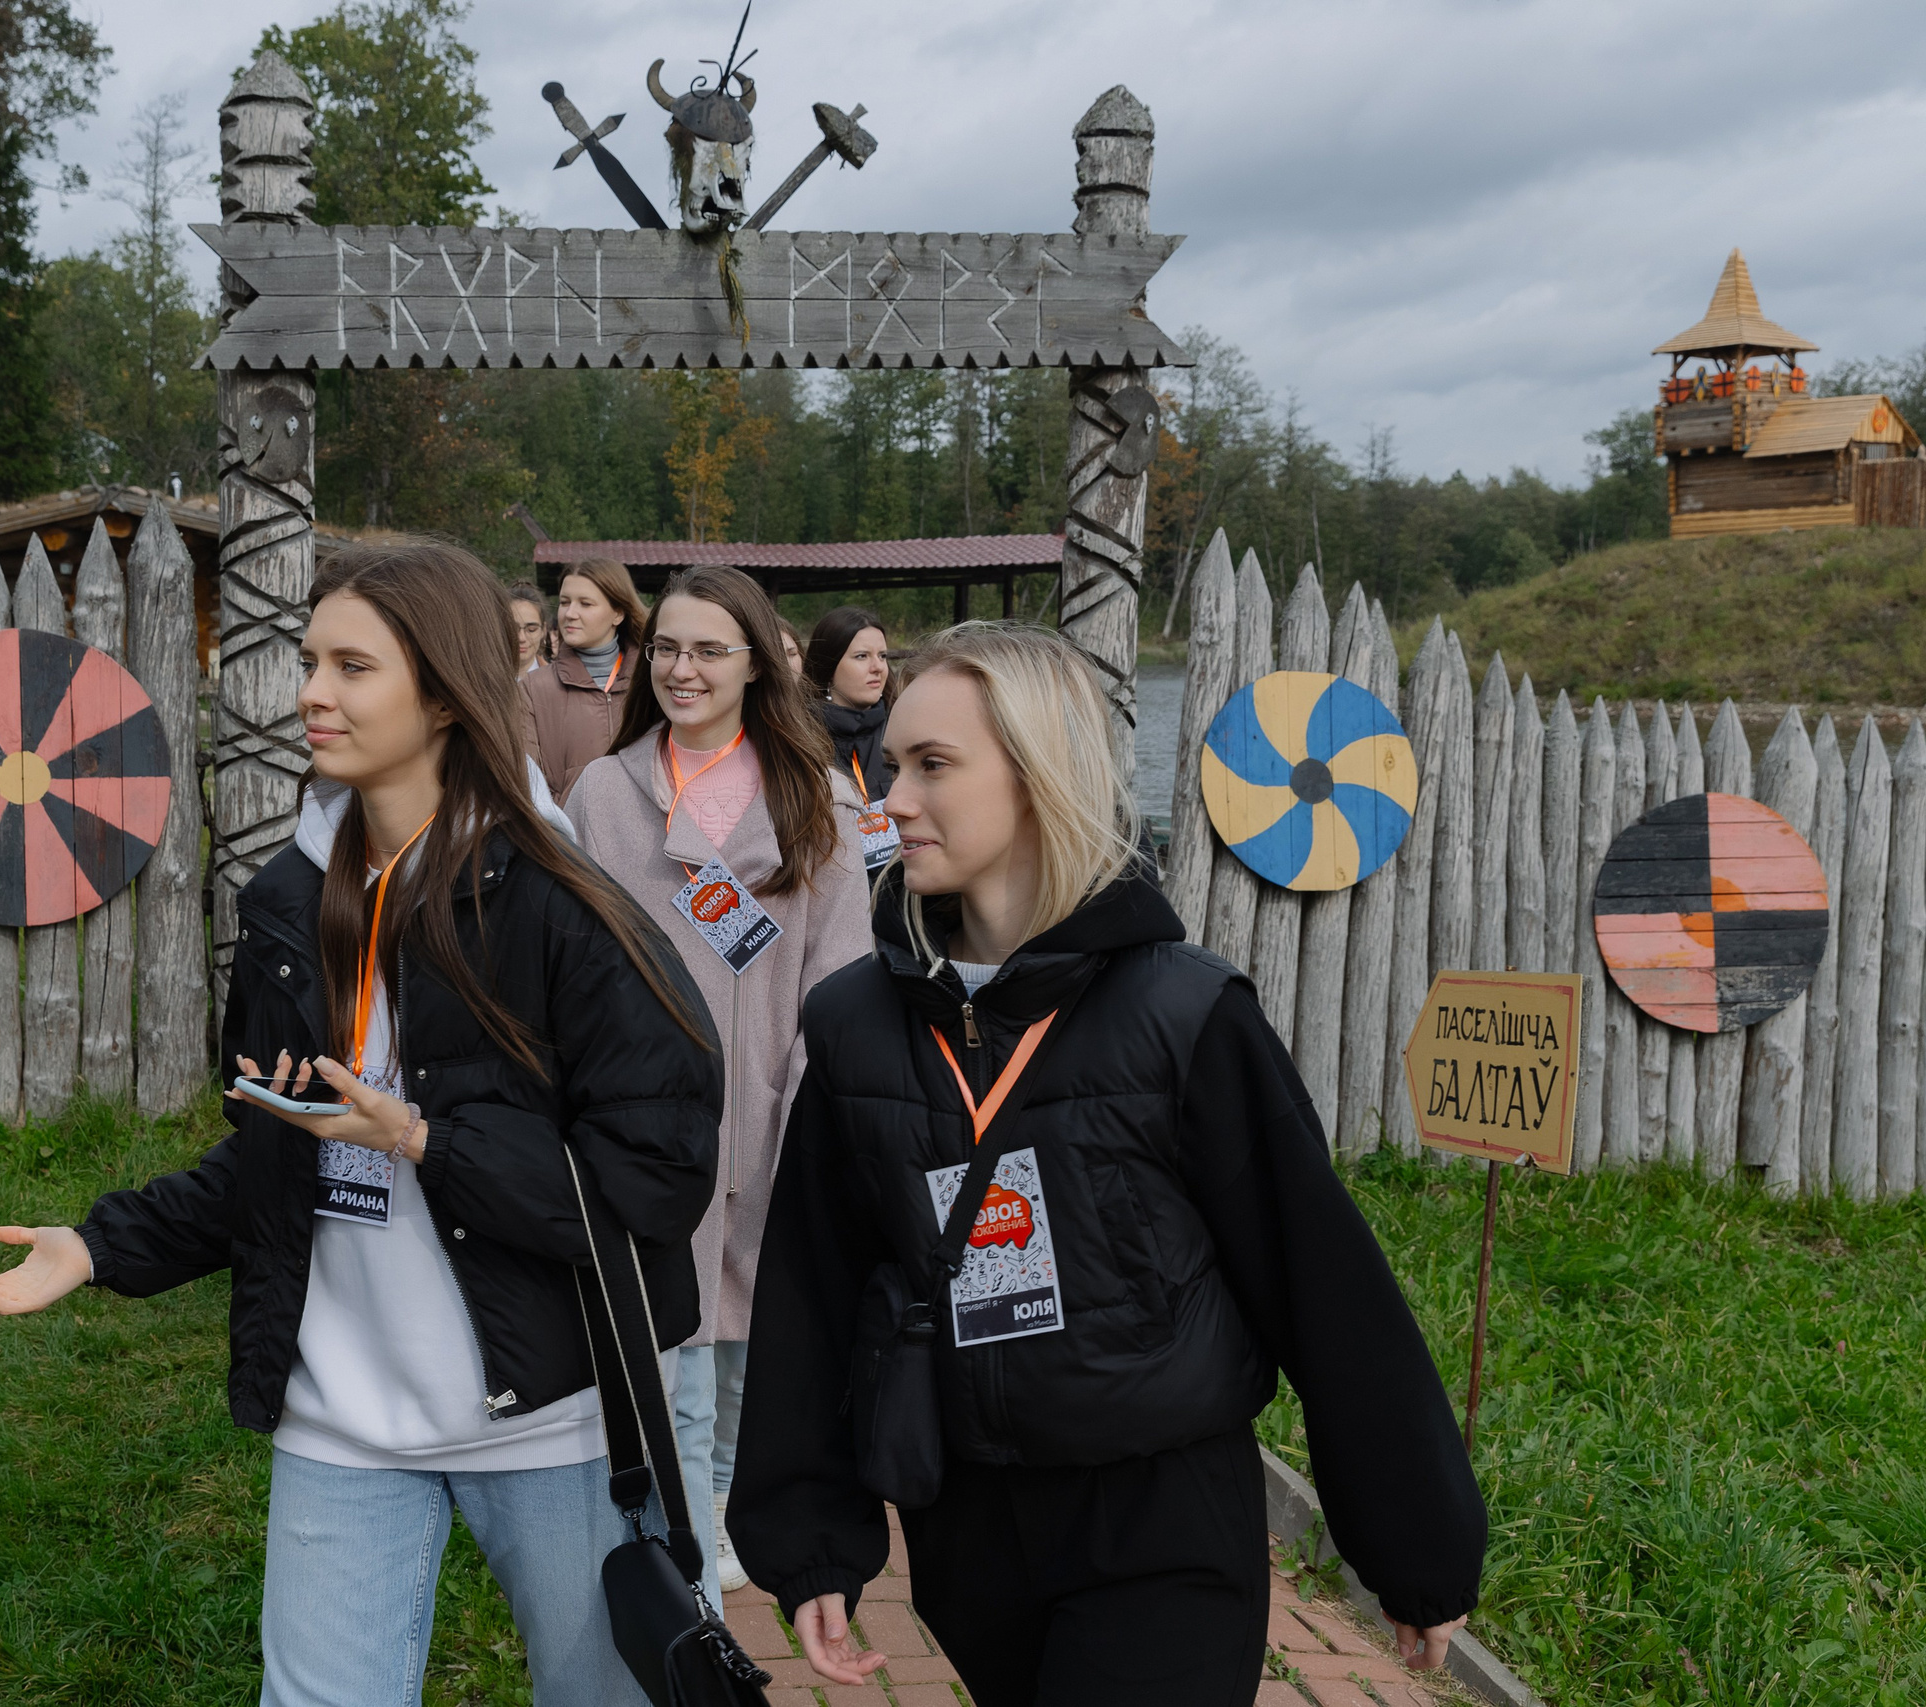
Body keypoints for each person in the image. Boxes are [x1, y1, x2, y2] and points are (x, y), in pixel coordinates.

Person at [0, 539, 724, 1707]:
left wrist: (425, 1141)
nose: (311, 692)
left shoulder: (565, 907)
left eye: (352, 666)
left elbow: (653, 1180)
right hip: (340, 1424)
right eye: (310, 661)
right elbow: (276, 1145)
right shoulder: (290, 898)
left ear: (445, 693)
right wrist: (100, 1248)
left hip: (554, 1428)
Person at [729, 622, 1486, 1707]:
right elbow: (816, 1285)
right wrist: (807, 1534)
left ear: (1038, 775)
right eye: (893, 765)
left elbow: (1319, 1283)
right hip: (967, 1527)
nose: (889, 799)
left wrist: (1414, 1545)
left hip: (1161, 1522)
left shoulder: (1184, 1013)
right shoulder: (853, 1022)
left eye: (933, 765)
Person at [564, 563, 873, 1608]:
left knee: (756, 1346)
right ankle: (687, 1571)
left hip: (782, 1111)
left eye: (709, 649)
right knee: (677, 1353)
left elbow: (842, 967)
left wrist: (808, 1097)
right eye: (668, 649)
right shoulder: (605, 797)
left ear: (756, 662)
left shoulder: (814, 796)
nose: (684, 669)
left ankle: (734, 1517)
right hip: (649, 1129)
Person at [521, 558, 646, 799]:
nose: (570, 614)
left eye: (585, 604)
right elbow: (524, 783)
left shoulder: (650, 682)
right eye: (564, 602)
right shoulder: (533, 688)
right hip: (564, 835)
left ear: (618, 613)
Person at [804, 605, 893, 799]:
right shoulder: (800, 740)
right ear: (829, 666)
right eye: (862, 656)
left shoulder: (901, 732)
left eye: (882, 656)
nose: (878, 667)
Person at [505, 581, 549, 676]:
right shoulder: (482, 680)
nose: (521, 638)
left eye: (531, 629)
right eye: (513, 629)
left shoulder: (557, 683)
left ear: (543, 631)